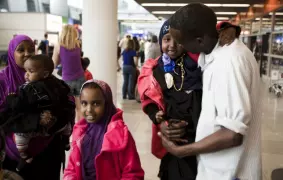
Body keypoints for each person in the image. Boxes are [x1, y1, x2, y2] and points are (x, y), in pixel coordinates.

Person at [158, 3, 261, 180]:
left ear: (199, 41)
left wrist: (182, 151)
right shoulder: (214, 53)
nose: (179, 47)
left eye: (183, 42)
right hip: (215, 169)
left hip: (231, 172)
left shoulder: (230, 62)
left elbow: (233, 134)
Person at [0, 35, 75, 180]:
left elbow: (66, 103)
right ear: (11, 53)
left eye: (31, 50)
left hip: (47, 151)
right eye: (21, 50)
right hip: (11, 153)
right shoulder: (3, 81)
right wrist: (34, 118)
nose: (27, 53)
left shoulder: (47, 78)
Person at [138, 20, 202, 180]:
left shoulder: (197, 66)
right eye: (167, 39)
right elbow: (150, 101)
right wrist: (158, 119)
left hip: (197, 137)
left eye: (178, 40)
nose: (172, 45)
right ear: (161, 41)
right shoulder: (155, 69)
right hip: (171, 139)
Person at [64, 79, 144, 180]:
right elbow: (72, 168)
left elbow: (133, 173)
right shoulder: (80, 132)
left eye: (96, 104)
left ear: (107, 104)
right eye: (84, 103)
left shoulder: (119, 135)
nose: (89, 110)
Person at [53, 25, 85, 122]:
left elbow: (54, 62)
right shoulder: (78, 43)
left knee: (69, 107)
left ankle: (71, 128)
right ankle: (81, 129)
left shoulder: (59, 45)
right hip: (80, 77)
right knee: (80, 107)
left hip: (67, 80)